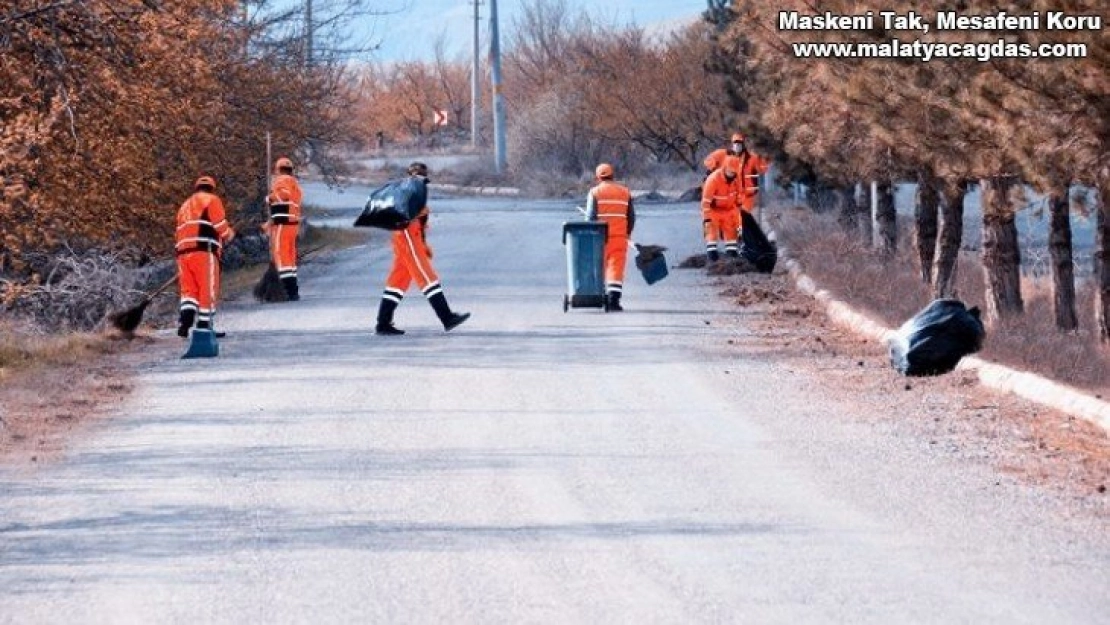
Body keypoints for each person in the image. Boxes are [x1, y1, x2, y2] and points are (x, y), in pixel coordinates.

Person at [375, 162, 470, 335]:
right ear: (411, 176)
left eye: (422, 176)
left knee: (398, 281)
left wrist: (424, 245)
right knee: (427, 277)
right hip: (407, 236)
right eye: (416, 175)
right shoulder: (407, 191)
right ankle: (446, 317)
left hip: (408, 238)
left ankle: (383, 323)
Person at [175, 176, 235, 354]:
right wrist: (229, 234)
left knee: (189, 291)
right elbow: (220, 225)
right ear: (212, 188)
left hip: (183, 253)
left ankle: (185, 321)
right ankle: (204, 327)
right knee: (207, 290)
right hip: (204, 251)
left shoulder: (185, 205)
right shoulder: (212, 200)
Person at [585, 162, 635, 312]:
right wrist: (627, 233)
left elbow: (590, 217)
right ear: (613, 176)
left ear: (598, 177)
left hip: (600, 237)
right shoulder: (625, 192)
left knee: (598, 266)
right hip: (619, 237)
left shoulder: (594, 192)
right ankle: (613, 300)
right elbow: (631, 216)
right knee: (616, 267)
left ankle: (596, 297)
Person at [266, 156, 303, 301]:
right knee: (290, 256)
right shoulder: (295, 184)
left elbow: (283, 196)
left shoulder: (282, 180)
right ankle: (293, 290)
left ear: (278, 169)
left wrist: (269, 198)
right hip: (292, 224)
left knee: (281, 255)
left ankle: (288, 290)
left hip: (283, 223)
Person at [701, 156, 742, 262]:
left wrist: (739, 220)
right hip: (713, 211)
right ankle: (712, 260)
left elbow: (739, 198)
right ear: (725, 168)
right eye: (731, 171)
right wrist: (706, 219)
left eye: (734, 172)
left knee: (732, 236)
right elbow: (705, 202)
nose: (732, 174)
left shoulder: (736, 179)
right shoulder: (713, 179)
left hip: (729, 210)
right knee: (712, 236)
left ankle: (732, 259)